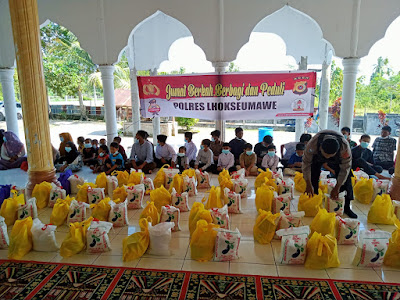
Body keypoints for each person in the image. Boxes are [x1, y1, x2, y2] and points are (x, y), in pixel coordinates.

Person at [302, 130, 357, 218]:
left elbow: (345, 169)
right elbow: (306, 165)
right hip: (316, 158)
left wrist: (337, 187)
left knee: (347, 181)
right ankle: (315, 203)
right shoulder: (312, 145)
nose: (327, 158)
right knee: (313, 177)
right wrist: (308, 183)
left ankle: (346, 207)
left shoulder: (344, 148)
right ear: (320, 148)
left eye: (330, 156)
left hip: (337, 160)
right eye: (325, 155)